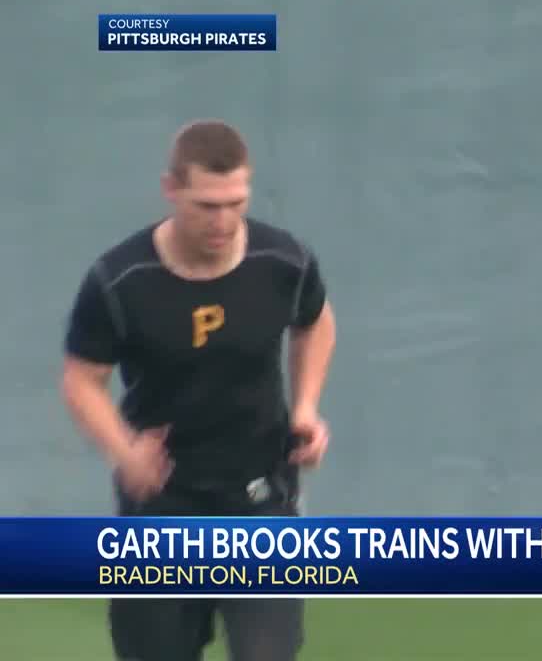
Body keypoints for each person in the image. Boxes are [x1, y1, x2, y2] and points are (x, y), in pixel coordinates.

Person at [59, 119, 337, 661]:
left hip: (261, 500)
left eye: (236, 202)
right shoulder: (120, 281)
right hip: (162, 505)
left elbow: (316, 321)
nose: (224, 220)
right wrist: (124, 452)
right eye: (206, 205)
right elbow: (81, 378)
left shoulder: (282, 263)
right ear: (171, 190)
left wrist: (306, 407)